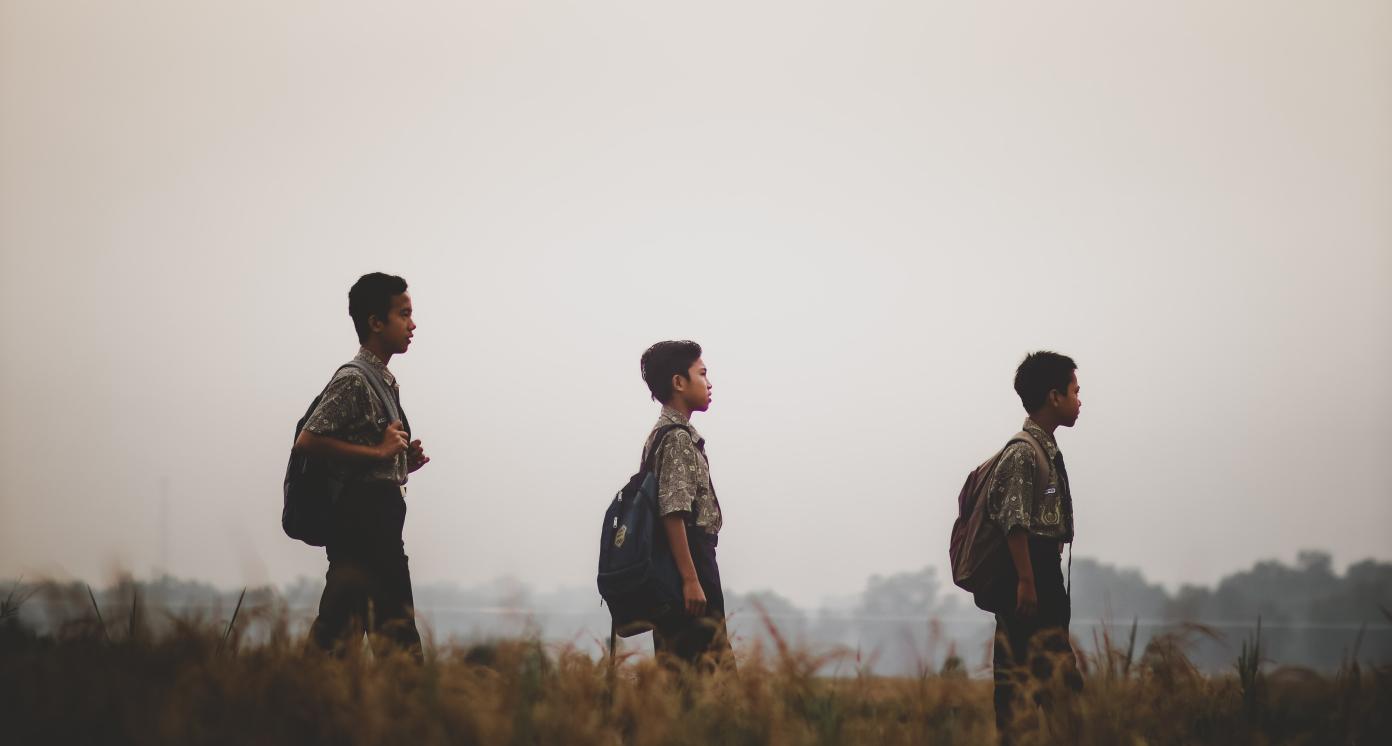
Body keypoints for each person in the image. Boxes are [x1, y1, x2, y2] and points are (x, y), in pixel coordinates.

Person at [295, 272, 430, 661]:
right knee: (397, 648)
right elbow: (308, 440)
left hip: (380, 528)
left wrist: (403, 462)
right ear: (375, 322)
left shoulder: (383, 381)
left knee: (338, 644)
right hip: (362, 532)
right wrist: (378, 455)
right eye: (403, 314)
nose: (412, 324)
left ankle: (305, 705)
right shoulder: (354, 379)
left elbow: (373, 453)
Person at [986, 351, 1084, 743]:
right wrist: (1027, 582)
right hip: (1028, 580)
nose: (1080, 401)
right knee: (1036, 691)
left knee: (1042, 686)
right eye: (1075, 391)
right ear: (1053, 397)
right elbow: (1014, 522)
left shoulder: (1044, 450)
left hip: (1039, 577)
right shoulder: (1024, 452)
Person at [638, 340, 732, 670]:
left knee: (679, 673)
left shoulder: (660, 434)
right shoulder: (677, 436)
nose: (709, 383)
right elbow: (673, 511)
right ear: (679, 382)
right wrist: (691, 580)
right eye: (702, 374)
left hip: (674, 570)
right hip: (690, 566)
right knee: (708, 674)